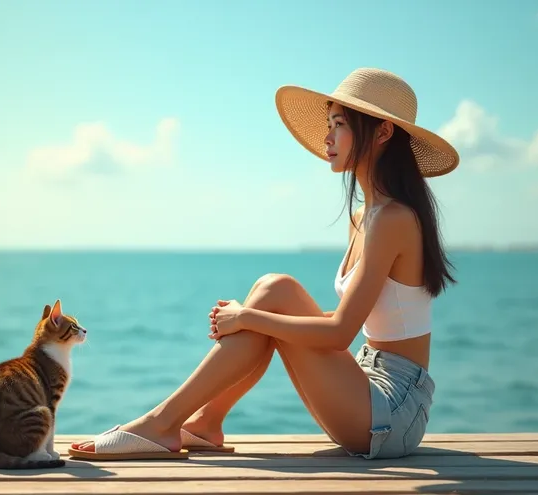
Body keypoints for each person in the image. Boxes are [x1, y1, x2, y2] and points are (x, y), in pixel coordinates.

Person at [69, 67, 459, 461]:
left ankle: (163, 422)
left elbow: (340, 333)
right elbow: (352, 317)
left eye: (339, 125)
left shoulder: (394, 219)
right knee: (274, 293)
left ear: (382, 133)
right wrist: (254, 317)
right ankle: (202, 422)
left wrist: (247, 319)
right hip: (366, 385)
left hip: (394, 413)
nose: (327, 137)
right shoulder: (365, 217)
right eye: (328, 124)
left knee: (275, 292)